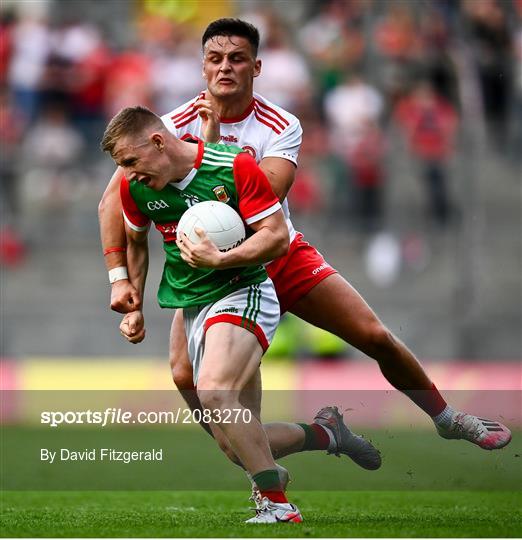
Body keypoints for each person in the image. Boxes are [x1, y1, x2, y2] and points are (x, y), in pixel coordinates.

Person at [98, 18, 510, 480]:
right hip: (211, 273)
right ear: (202, 67)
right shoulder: (168, 127)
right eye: (215, 59)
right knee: (217, 424)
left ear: (257, 66)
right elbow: (112, 202)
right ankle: (324, 434)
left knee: (373, 335)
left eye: (236, 59)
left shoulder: (280, 124)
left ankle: (446, 418)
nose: (225, 68)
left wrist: (208, 151)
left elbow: (261, 201)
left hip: (276, 254)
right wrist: (120, 279)